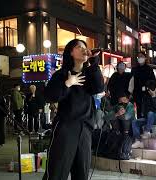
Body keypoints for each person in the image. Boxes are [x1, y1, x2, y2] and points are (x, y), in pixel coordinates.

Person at [43, 39, 104, 180]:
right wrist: (68, 83)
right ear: (70, 52)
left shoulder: (89, 73)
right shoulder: (62, 74)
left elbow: (99, 88)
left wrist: (94, 62)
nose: (83, 49)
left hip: (85, 129)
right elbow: (51, 96)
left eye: (85, 47)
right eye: (79, 47)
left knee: (82, 172)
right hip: (66, 128)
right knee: (57, 170)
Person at [131, 80, 156, 148]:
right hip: (148, 118)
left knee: (150, 113)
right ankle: (138, 141)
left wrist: (153, 96)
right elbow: (144, 108)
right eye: (148, 89)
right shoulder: (145, 95)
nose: (149, 90)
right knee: (135, 122)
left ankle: (147, 131)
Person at [129, 52, 156, 118]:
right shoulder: (134, 69)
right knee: (139, 110)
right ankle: (139, 125)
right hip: (137, 93)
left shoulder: (149, 69)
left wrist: (148, 88)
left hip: (147, 93)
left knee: (146, 110)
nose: (140, 58)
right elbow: (131, 81)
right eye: (138, 57)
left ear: (145, 58)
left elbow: (153, 81)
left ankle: (146, 126)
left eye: (141, 56)